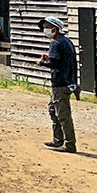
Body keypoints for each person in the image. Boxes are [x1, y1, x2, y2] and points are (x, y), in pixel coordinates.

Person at [38, 16, 78, 154]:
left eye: (47, 27)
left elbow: (54, 64)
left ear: (54, 29)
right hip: (68, 81)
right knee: (53, 110)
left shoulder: (55, 43)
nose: (45, 30)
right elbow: (63, 61)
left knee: (62, 114)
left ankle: (69, 144)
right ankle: (58, 139)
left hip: (60, 83)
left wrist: (42, 62)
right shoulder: (67, 42)